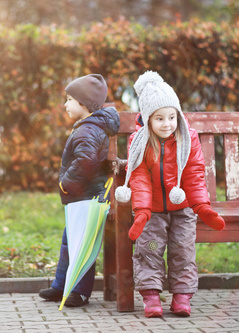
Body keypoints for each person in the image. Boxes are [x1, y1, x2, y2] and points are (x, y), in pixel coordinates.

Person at [114, 71, 225, 318]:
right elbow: (140, 177)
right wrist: (142, 210)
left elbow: (194, 174)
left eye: (172, 117)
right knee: (150, 248)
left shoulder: (188, 139)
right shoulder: (140, 142)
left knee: (182, 251)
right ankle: (151, 297)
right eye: (160, 119)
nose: (167, 124)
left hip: (183, 209)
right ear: (148, 120)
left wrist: (201, 206)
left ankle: (182, 297)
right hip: (152, 212)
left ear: (179, 116)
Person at [39, 74, 120, 307]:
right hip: (82, 197)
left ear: (84, 104)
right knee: (70, 242)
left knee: (82, 243)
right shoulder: (89, 127)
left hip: (87, 196)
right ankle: (61, 285)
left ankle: (80, 292)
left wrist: (66, 182)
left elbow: (85, 162)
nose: (65, 105)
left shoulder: (89, 130)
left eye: (69, 100)